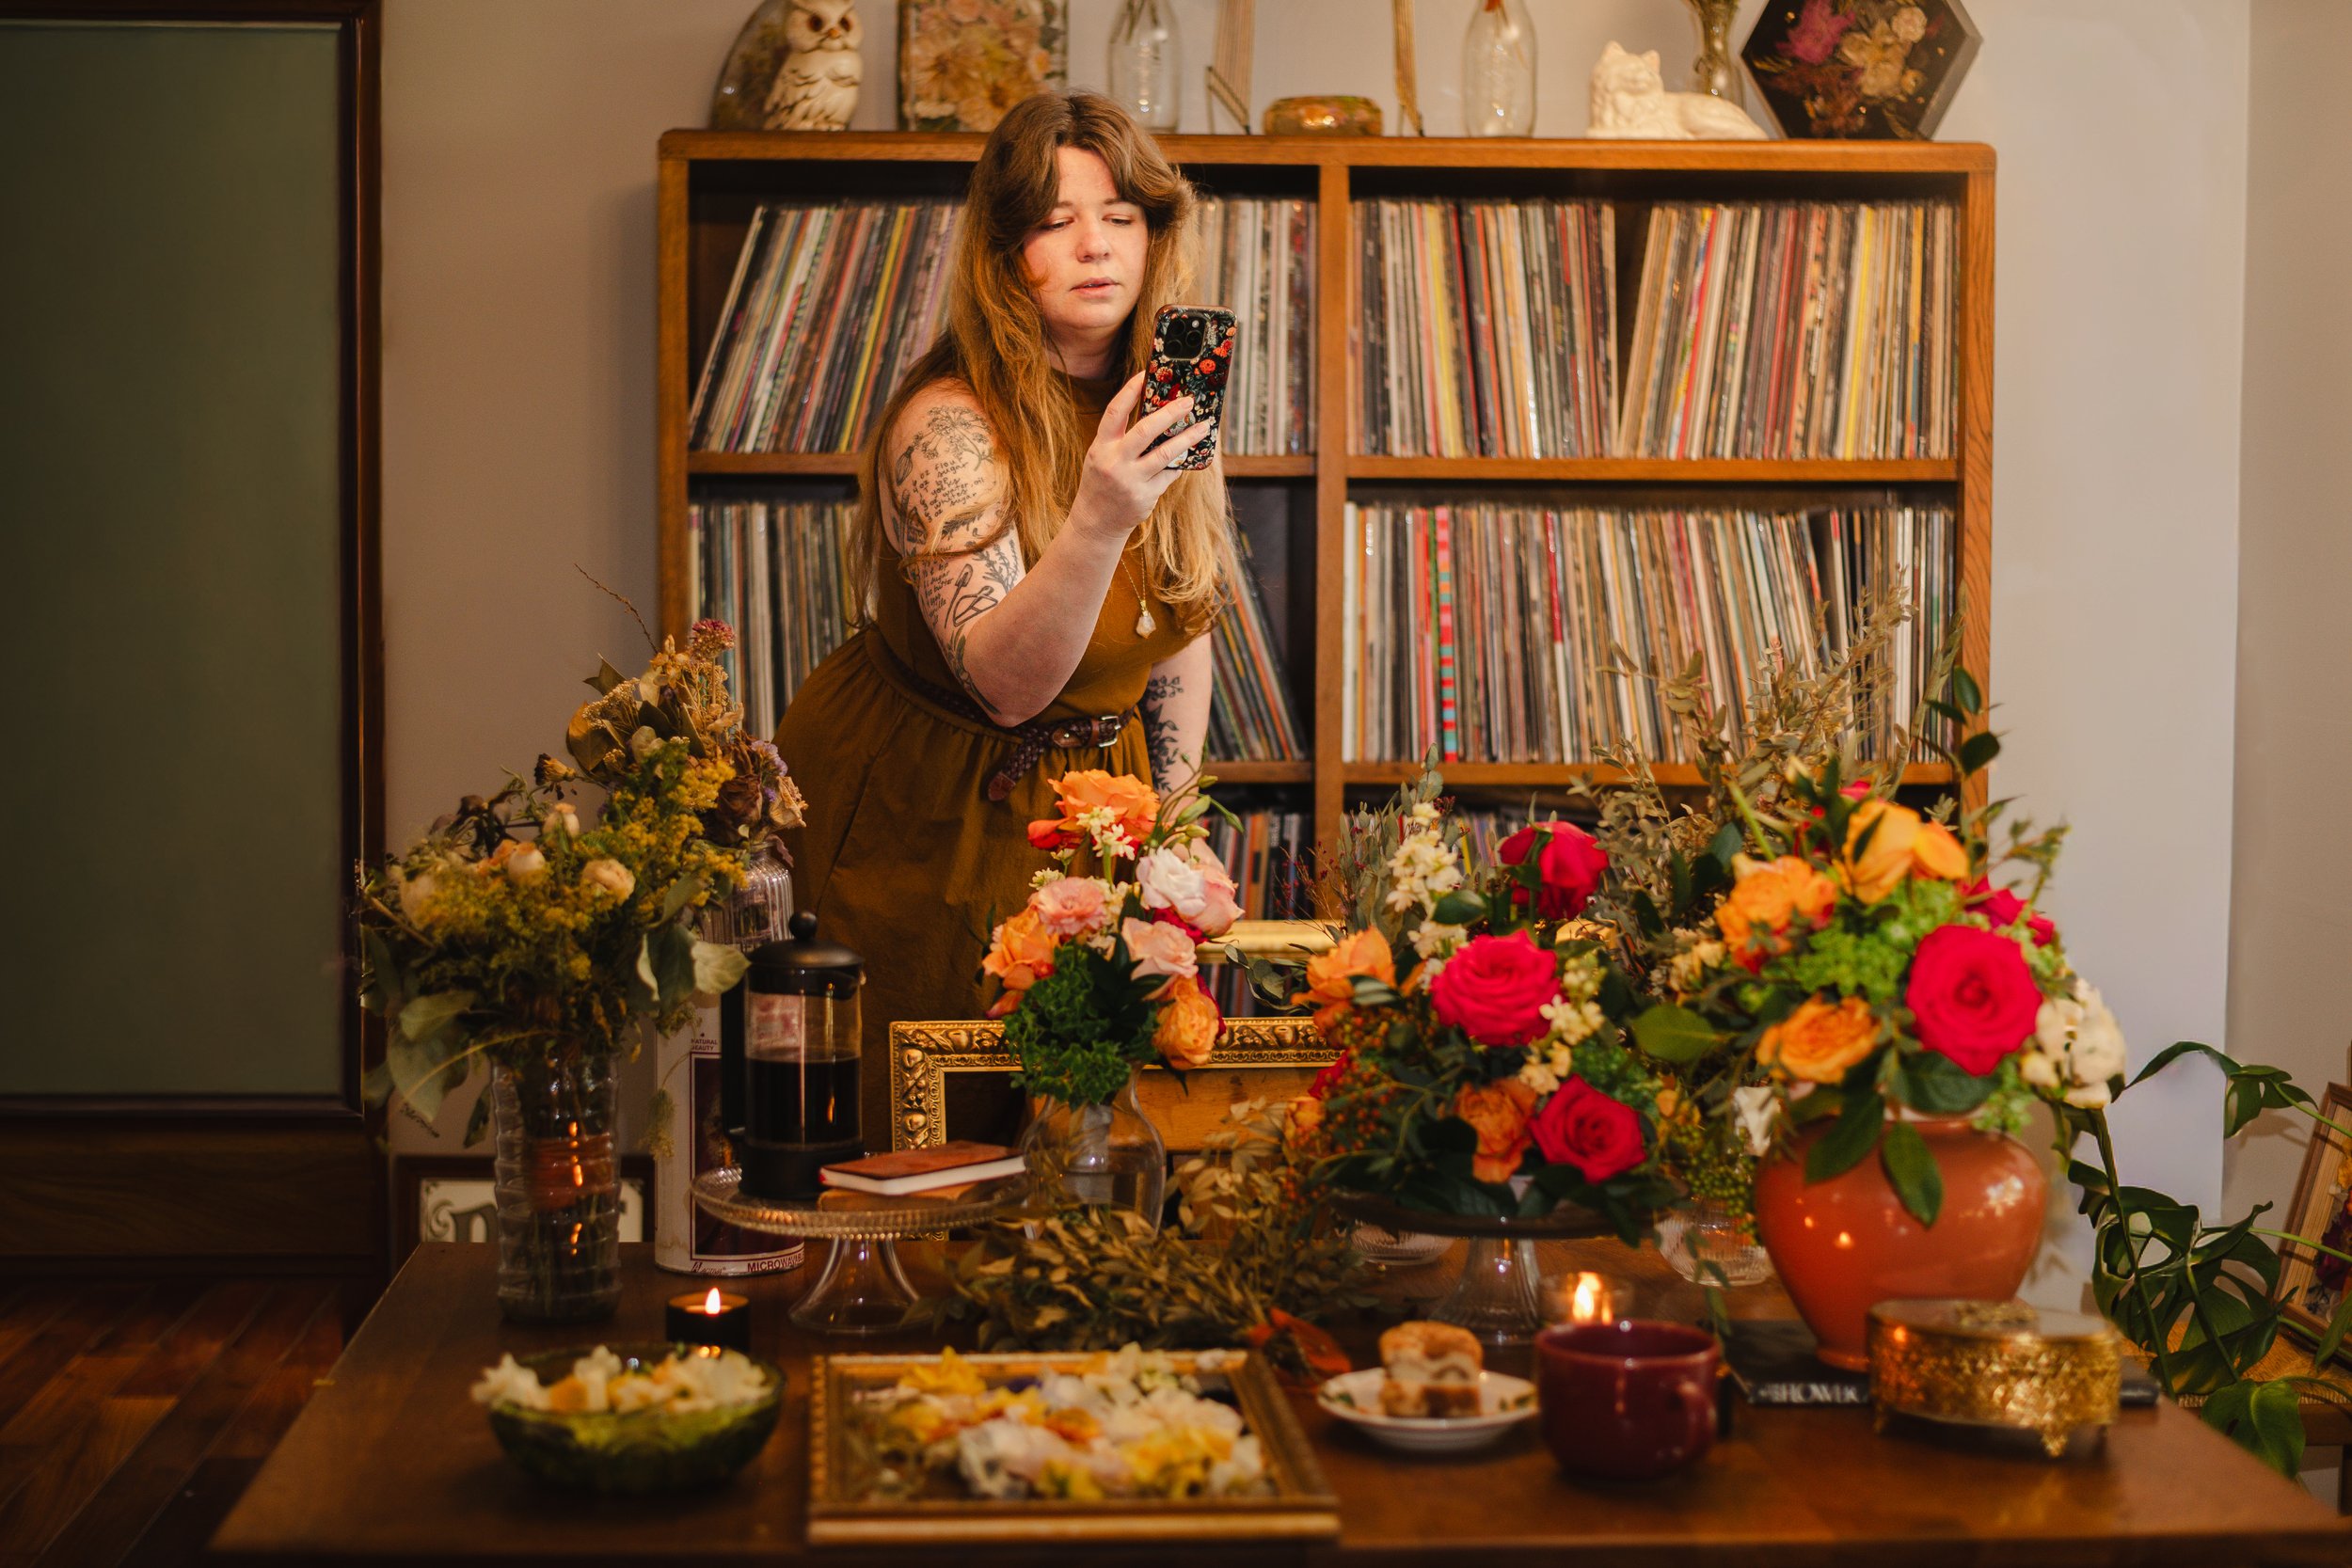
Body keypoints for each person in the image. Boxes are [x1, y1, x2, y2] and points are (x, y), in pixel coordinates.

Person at [774, 89, 1238, 1150]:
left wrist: (1169, 826)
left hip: (1090, 806)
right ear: (1001, 248)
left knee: (1078, 1137)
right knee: (915, 1137)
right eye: (1054, 219)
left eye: (1120, 215)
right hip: (925, 810)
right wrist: (1101, 512)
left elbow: (1181, 623)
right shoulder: (944, 425)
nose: (1094, 246)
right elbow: (1005, 679)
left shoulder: (1158, 398)